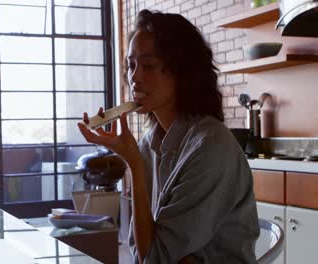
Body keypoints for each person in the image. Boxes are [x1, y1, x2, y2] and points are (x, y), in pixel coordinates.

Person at [77, 9, 260, 264]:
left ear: (182, 72)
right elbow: (140, 250)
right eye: (131, 65)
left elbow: (154, 258)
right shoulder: (149, 143)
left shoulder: (210, 147)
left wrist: (135, 165)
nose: (134, 77)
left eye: (149, 66)